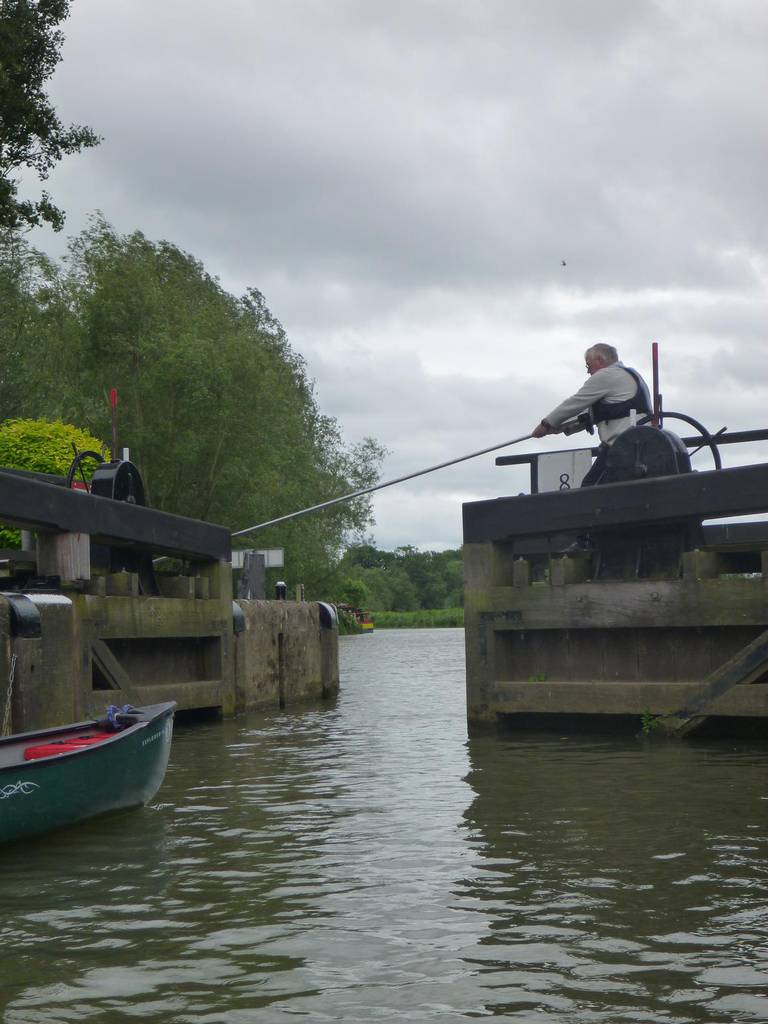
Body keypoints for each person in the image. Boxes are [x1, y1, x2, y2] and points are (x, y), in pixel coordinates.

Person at [532, 343, 652, 486]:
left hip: (622, 444)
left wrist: (546, 424)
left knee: (590, 488)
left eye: (588, 366)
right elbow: (591, 414)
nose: (588, 372)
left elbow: (575, 403)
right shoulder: (629, 375)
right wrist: (559, 427)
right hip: (641, 442)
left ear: (599, 361)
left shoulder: (606, 375)